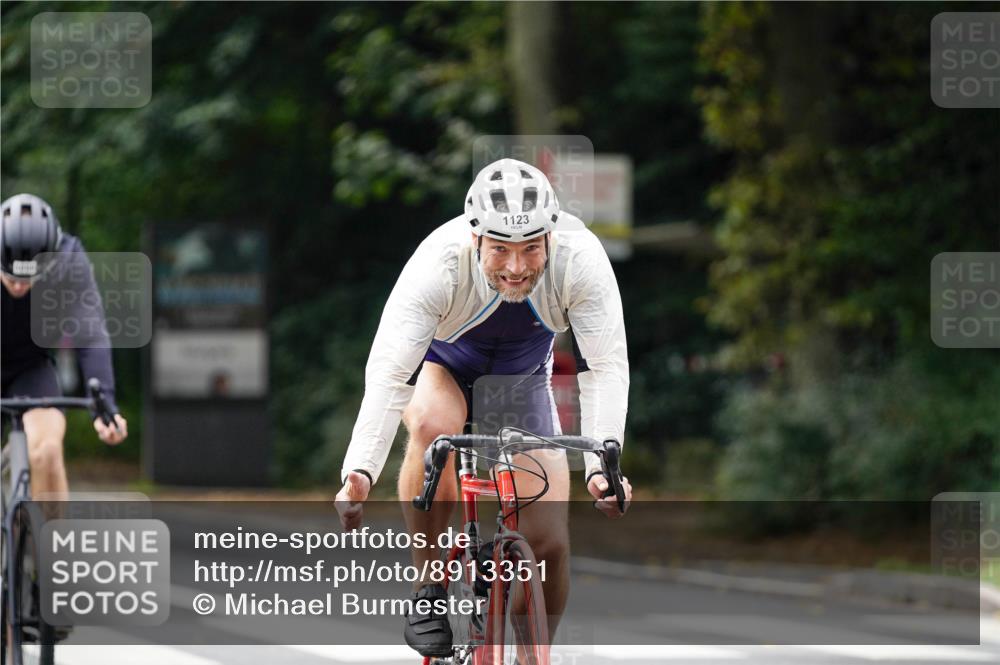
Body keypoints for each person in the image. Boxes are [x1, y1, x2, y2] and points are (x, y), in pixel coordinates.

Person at [334, 158, 632, 657]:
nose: (516, 267)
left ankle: (532, 654)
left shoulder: (580, 259)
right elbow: (390, 375)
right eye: (500, 250)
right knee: (434, 424)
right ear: (475, 240)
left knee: (549, 543)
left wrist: (605, 465)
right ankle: (429, 587)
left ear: (550, 238)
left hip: (519, 384)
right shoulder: (437, 264)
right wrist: (359, 471)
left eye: (530, 249)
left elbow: (604, 365)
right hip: (442, 368)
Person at [1, 193, 128, 501]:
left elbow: (91, 333)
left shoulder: (69, 261)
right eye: (10, 276)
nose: (18, 286)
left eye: (27, 278)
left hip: (30, 369)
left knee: (46, 450)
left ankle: (52, 545)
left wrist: (104, 404)